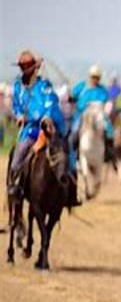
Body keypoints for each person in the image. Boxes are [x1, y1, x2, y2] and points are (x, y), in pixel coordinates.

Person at [7, 50, 78, 206]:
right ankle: (16, 188)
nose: (24, 70)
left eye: (27, 66)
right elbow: (16, 106)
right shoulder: (18, 87)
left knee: (67, 153)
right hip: (29, 130)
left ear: (34, 68)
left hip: (48, 130)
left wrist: (47, 116)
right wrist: (19, 116)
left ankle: (70, 191)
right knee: (17, 157)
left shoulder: (44, 86)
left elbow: (51, 102)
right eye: (22, 67)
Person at [69, 65, 116, 163]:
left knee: (109, 130)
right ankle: (73, 157)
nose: (95, 79)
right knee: (74, 131)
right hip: (82, 114)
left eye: (97, 77)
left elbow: (107, 102)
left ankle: (109, 154)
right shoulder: (82, 86)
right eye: (93, 77)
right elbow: (72, 96)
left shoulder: (102, 90)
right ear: (90, 76)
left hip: (98, 115)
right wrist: (71, 98)